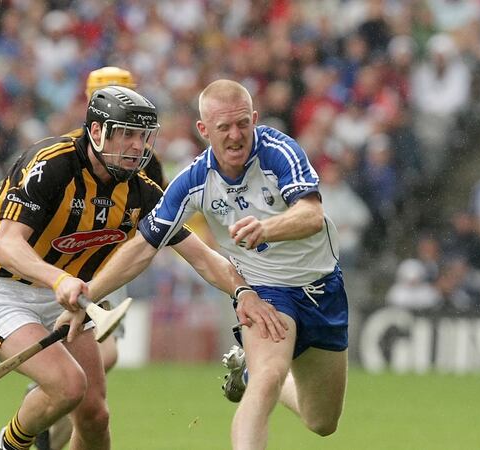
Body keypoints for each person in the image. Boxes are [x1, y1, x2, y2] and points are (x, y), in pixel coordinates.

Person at [0, 84, 286, 450]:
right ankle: (9, 445)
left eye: (143, 137)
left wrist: (244, 292)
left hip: (68, 295)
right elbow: (7, 245)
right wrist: (59, 279)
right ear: (96, 132)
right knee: (68, 385)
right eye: (125, 134)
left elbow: (202, 256)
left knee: (95, 416)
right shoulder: (53, 164)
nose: (136, 146)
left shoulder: (141, 192)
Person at [60, 80, 348, 450]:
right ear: (204, 129)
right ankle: (255, 374)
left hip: (324, 288)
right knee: (269, 377)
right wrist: (88, 296)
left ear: (254, 120)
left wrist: (266, 228)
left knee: (322, 421)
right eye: (223, 127)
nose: (235, 135)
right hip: (265, 292)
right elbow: (144, 247)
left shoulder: (279, 151)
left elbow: (311, 215)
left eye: (243, 123)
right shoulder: (194, 182)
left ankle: (245, 372)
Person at [35, 65, 168, 450]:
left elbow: (152, 226)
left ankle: (48, 412)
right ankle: (46, 411)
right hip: (63, 273)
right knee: (92, 367)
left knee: (100, 363)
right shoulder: (65, 152)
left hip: (108, 266)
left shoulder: (144, 161)